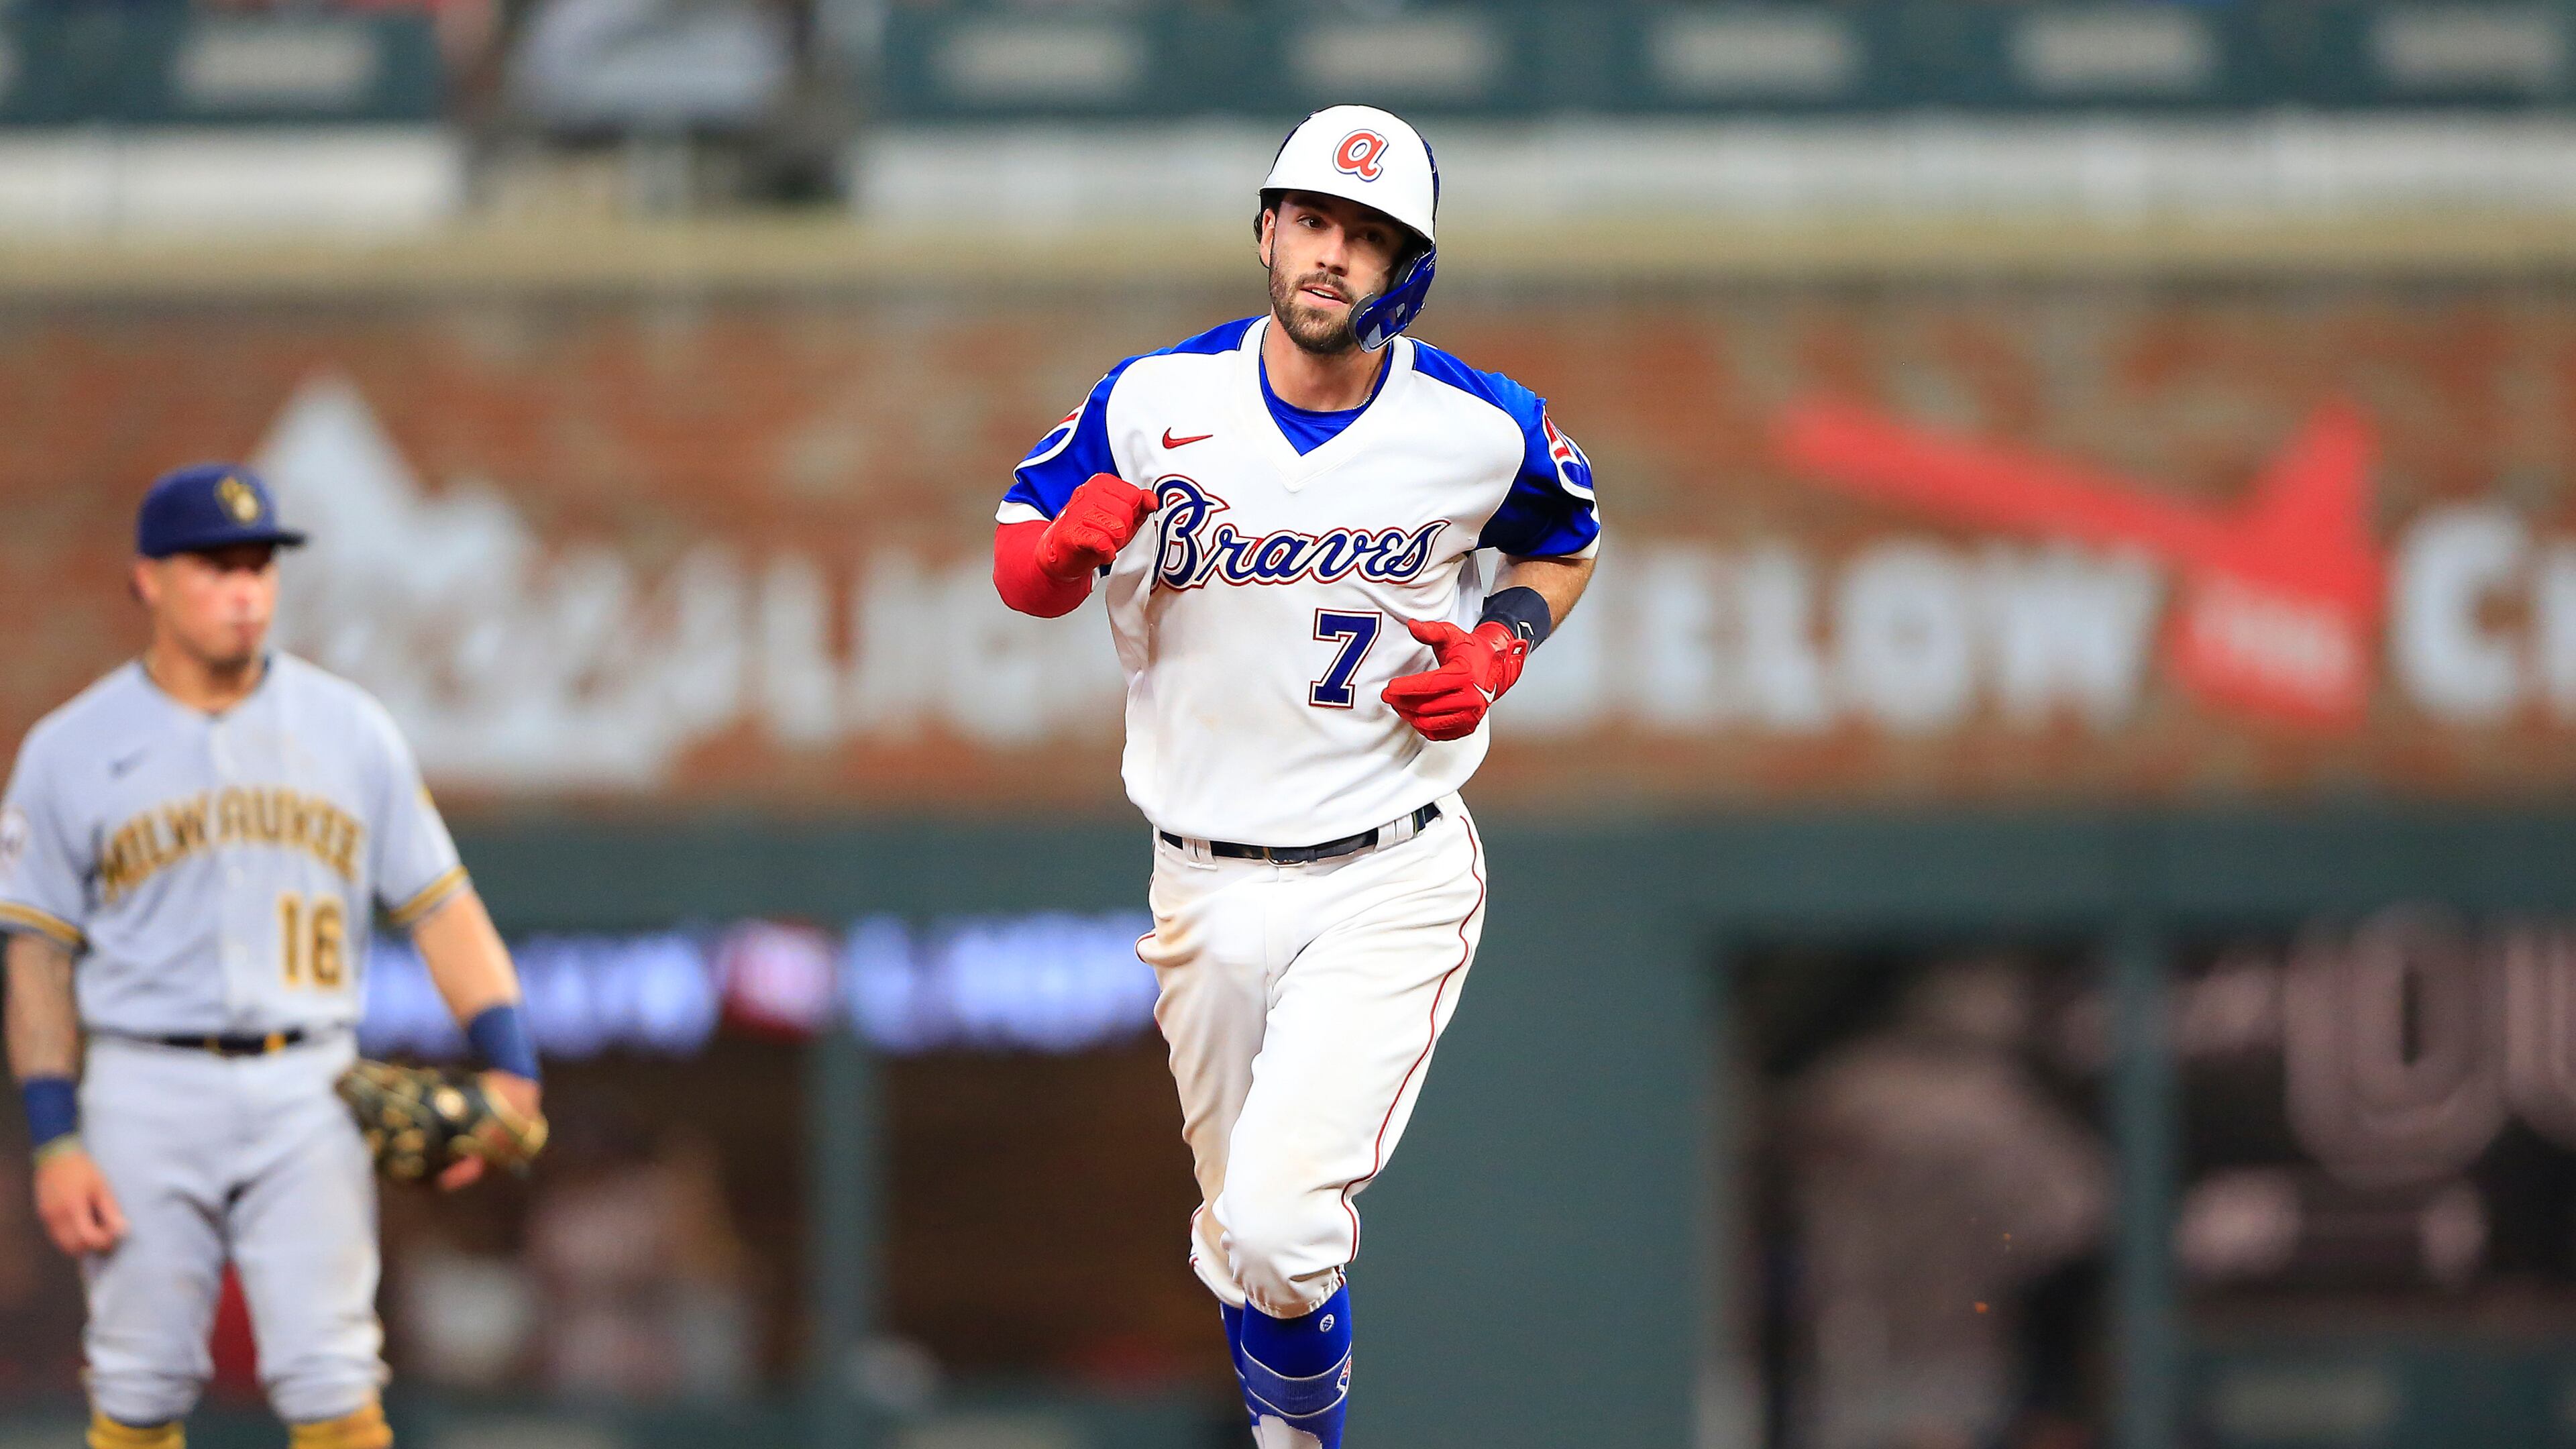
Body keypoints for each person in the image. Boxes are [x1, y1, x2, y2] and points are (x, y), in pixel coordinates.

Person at [991, 105, 1602, 1448]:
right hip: (1200, 879)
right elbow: (1021, 562)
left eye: (1367, 237)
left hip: (1388, 869)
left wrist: (1503, 645)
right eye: (1314, 221)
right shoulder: (1156, 401)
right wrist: (1058, 559)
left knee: (1277, 1224)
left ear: (1408, 269)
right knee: (1243, 1245)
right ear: (1269, 230)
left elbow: (1565, 538)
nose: (1332, 255)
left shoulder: (1477, 425)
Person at [1, 464, 545, 1449]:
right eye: (215, 567)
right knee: (137, 1378)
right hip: (144, 1079)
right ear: (149, 580)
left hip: (311, 1078)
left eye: (258, 566)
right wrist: (55, 1134)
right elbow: (35, 955)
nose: (244, 588)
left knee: (335, 1373)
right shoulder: (71, 747)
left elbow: (441, 908)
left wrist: (513, 1065)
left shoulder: (350, 729)